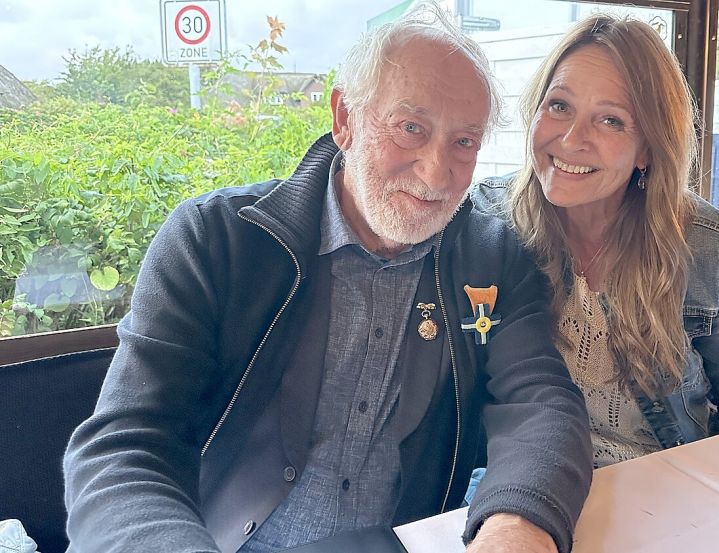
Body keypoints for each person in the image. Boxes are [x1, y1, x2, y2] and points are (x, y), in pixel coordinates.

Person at [62, 7, 591, 553]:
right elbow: (125, 446)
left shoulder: (494, 258)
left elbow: (541, 402)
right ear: (345, 118)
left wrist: (517, 525)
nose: (437, 172)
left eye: (464, 142)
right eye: (411, 128)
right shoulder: (215, 240)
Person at [474, 13, 719, 469]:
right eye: (559, 105)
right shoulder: (488, 220)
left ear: (648, 150)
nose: (572, 138)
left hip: (667, 490)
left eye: (611, 120)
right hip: (519, 490)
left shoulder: (708, 249)